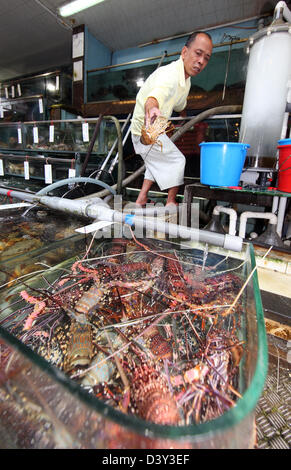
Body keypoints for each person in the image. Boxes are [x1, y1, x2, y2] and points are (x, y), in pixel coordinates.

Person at [130, 31, 213, 206]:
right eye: (198, 54)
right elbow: (156, 96)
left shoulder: (185, 80)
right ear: (184, 53)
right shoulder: (169, 75)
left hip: (154, 129)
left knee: (155, 161)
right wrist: (152, 107)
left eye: (206, 58)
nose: (201, 61)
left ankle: (141, 198)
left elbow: (180, 103)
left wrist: (183, 116)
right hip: (144, 131)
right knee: (177, 160)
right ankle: (170, 202)